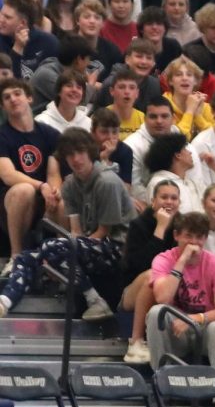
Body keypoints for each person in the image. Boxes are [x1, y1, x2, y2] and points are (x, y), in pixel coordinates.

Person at [0, 127, 134, 319]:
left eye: (80, 152)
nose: (76, 159)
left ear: (90, 152)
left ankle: (95, 300)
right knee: (27, 257)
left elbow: (103, 232)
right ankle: (4, 301)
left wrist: (60, 252)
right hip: (90, 244)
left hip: (117, 247)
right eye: (70, 154)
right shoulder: (70, 184)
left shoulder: (107, 181)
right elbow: (76, 231)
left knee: (53, 247)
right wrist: (58, 257)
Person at [147, 209, 215, 374]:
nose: (194, 242)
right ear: (176, 235)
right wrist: (182, 261)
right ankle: (160, 379)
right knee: (156, 312)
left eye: (199, 237)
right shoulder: (163, 259)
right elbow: (162, 297)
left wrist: (192, 319)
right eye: (188, 236)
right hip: (175, 330)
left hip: (204, 328)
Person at [0, 78, 62, 271]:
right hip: (8, 202)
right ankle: (16, 256)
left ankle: (60, 261)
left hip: (42, 200)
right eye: (6, 97)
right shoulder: (2, 135)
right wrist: (41, 186)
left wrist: (53, 190)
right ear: (2, 106)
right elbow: (8, 175)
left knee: (62, 198)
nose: (13, 99)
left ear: (29, 98)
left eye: (17, 94)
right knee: (23, 190)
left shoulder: (50, 134)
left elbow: (54, 172)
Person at [119, 177, 178, 363]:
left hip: (168, 289)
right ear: (153, 201)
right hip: (133, 291)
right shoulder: (138, 225)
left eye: (174, 198)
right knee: (153, 275)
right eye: (164, 197)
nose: (169, 202)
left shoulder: (182, 227)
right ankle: (135, 342)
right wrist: (160, 228)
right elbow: (141, 264)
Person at [1, 0, 59, 79]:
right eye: (1, 14)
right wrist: (17, 49)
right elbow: (9, 84)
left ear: (23, 23)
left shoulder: (49, 43)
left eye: (7, 17)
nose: (1, 19)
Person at [144, 131, 203, 214]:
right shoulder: (158, 183)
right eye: (185, 149)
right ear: (177, 155)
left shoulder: (190, 183)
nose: (190, 153)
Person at [161, 55, 212, 139]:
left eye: (189, 75)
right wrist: (190, 111)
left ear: (195, 81)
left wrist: (198, 116)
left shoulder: (206, 108)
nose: (184, 78)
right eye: (178, 75)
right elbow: (175, 140)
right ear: (170, 81)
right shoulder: (162, 108)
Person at [36, 67, 89, 132]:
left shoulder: (89, 124)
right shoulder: (42, 122)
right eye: (69, 86)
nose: (74, 90)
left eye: (79, 87)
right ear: (59, 91)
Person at [138, 6, 182, 73]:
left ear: (165, 28)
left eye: (159, 23)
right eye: (149, 24)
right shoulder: (135, 49)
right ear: (141, 29)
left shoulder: (174, 47)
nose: (154, 27)